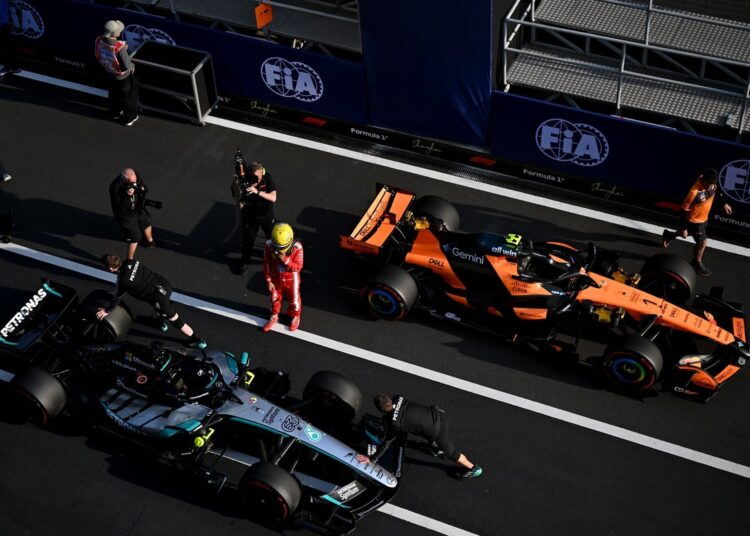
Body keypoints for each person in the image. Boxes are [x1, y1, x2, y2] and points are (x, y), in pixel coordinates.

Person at [356, 394, 483, 479]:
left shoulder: (395, 424)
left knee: (452, 453)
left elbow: (386, 443)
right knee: (424, 431)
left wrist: (371, 458)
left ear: (380, 410)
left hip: (437, 432)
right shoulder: (398, 398)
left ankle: (473, 468)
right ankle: (434, 448)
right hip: (440, 415)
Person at [97, 254, 207, 349]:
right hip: (165, 285)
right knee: (158, 307)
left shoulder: (122, 281)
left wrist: (107, 311)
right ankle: (160, 323)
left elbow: (117, 298)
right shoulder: (131, 261)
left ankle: (197, 340)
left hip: (158, 297)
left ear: (111, 268)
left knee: (175, 319)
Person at [662, 168, 732, 277]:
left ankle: (669, 235)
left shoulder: (710, 183)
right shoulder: (694, 193)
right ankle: (696, 262)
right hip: (695, 221)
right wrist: (684, 227)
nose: (710, 187)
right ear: (704, 180)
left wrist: (724, 203)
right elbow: (683, 211)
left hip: (704, 218)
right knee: (702, 242)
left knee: (689, 233)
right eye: (709, 184)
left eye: (712, 184)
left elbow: (716, 190)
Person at [232, 159, 277, 274]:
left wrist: (257, 192)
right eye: (256, 176)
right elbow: (239, 202)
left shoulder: (267, 178)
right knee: (248, 241)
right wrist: (240, 200)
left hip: (266, 216)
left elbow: (273, 197)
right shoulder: (244, 182)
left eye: (260, 174)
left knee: (272, 239)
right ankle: (244, 262)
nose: (259, 178)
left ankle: (274, 259)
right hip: (250, 217)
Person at [95, 20, 139, 126]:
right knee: (127, 97)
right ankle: (130, 118)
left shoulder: (99, 39)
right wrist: (132, 67)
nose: (120, 31)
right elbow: (127, 64)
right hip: (122, 77)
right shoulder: (120, 48)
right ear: (114, 33)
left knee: (113, 95)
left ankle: (114, 113)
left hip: (110, 72)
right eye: (119, 30)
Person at [262, 222, 303, 332]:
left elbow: (298, 267)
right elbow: (267, 263)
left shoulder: (297, 247)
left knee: (294, 300)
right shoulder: (269, 245)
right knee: (274, 297)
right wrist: (268, 280)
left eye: (283, 247)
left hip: (292, 279)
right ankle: (274, 316)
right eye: (277, 247)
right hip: (276, 277)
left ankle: (295, 316)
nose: (279, 249)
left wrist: (285, 260)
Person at [109, 168, 156, 260]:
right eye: (132, 183)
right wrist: (127, 195)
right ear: (124, 180)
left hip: (137, 207)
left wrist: (141, 189)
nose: (134, 184)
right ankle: (129, 260)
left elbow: (145, 188)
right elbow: (121, 207)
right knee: (136, 237)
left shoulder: (135, 176)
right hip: (125, 215)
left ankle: (150, 242)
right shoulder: (115, 187)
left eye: (135, 181)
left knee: (147, 221)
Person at [0, 0, 20, 80]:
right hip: (3, 24)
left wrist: (2, 25)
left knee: (7, 47)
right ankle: (13, 67)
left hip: (3, 24)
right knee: (7, 46)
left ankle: (11, 67)